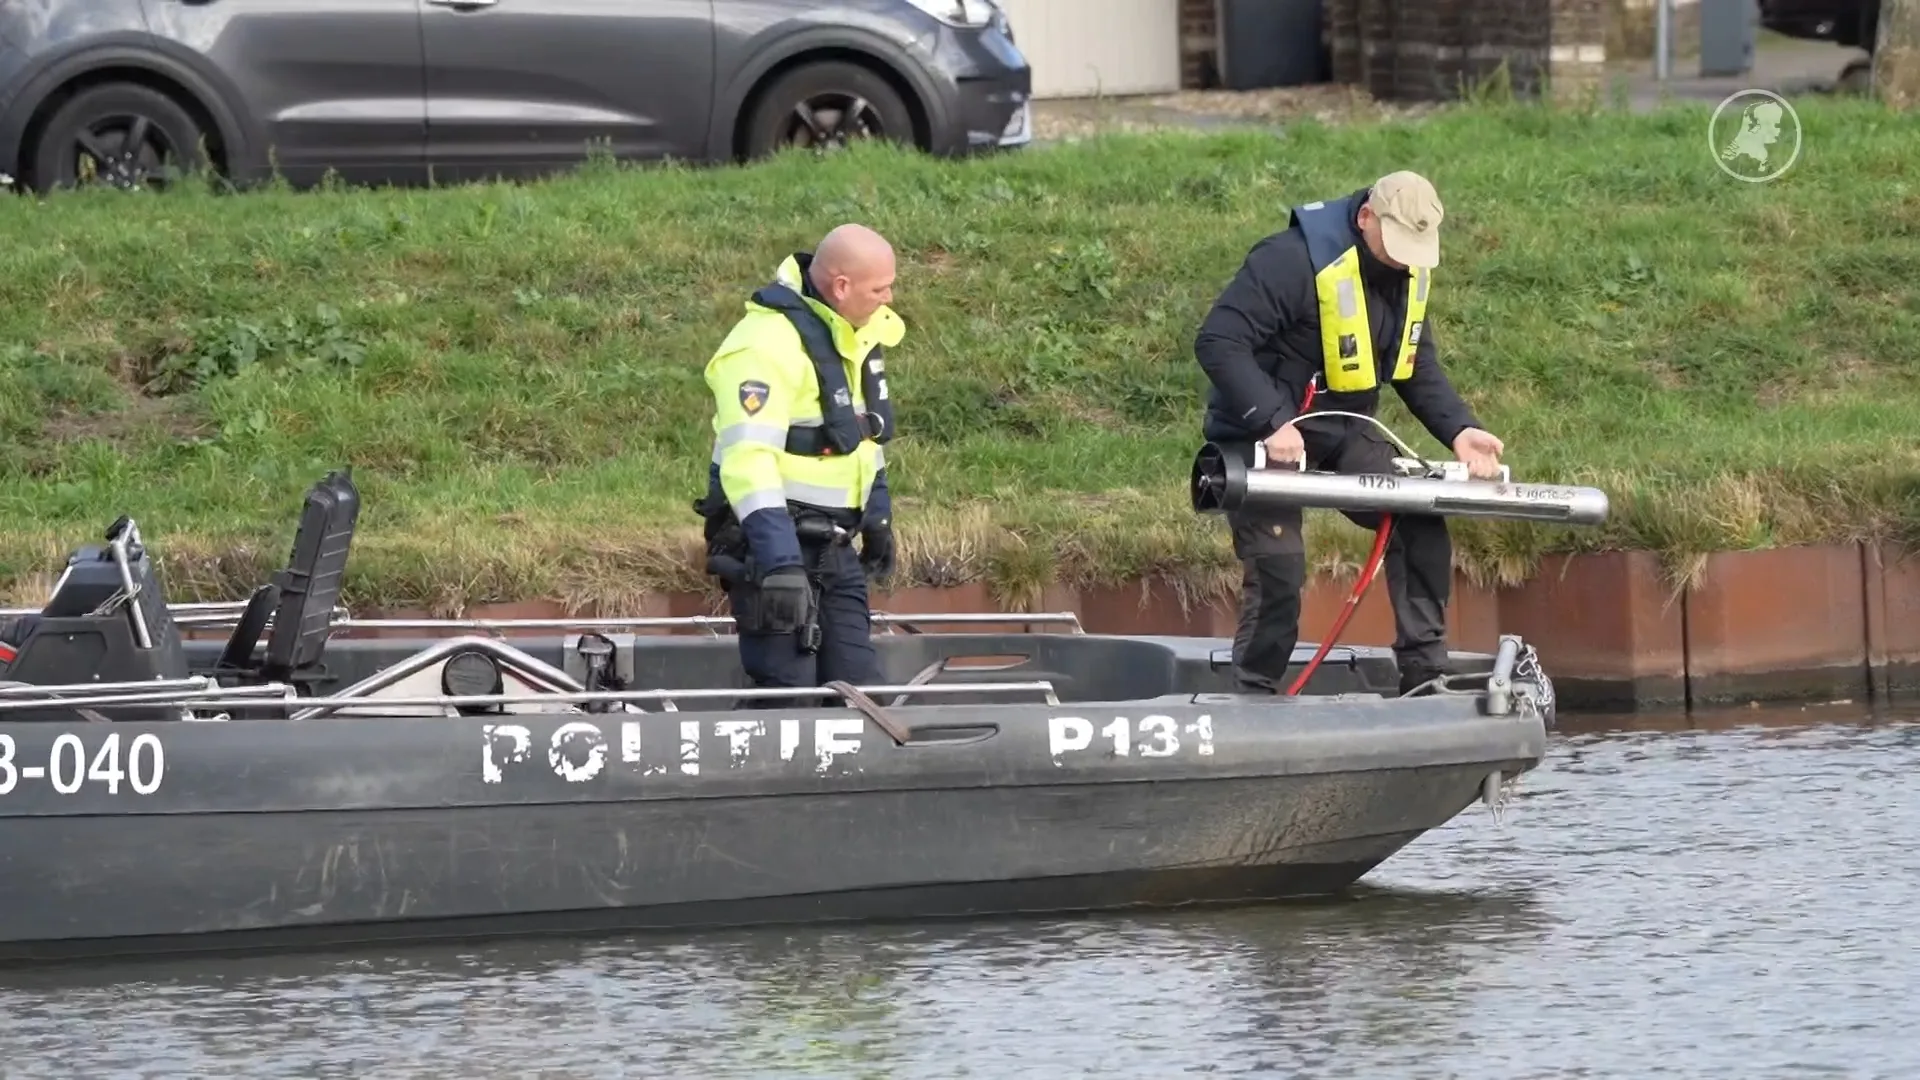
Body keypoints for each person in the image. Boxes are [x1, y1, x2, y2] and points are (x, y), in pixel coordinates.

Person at [1192, 171, 1507, 697]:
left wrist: (1461, 429)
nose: (1408, 260)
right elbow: (1218, 341)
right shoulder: (1288, 260)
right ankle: (1254, 691)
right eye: (1399, 245)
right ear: (1366, 219)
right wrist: (1273, 421)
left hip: (1343, 428)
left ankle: (1425, 676)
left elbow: (1415, 365)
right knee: (1280, 566)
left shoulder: (1407, 274)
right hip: (1260, 432)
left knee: (1419, 513)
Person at [693, 223, 901, 699]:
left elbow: (861, 438)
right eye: (880, 288)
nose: (889, 298)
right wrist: (780, 564)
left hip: (834, 545)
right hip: (773, 546)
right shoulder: (763, 345)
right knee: (786, 691)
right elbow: (749, 460)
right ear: (842, 287)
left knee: (860, 690)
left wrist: (878, 520)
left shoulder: (850, 334)